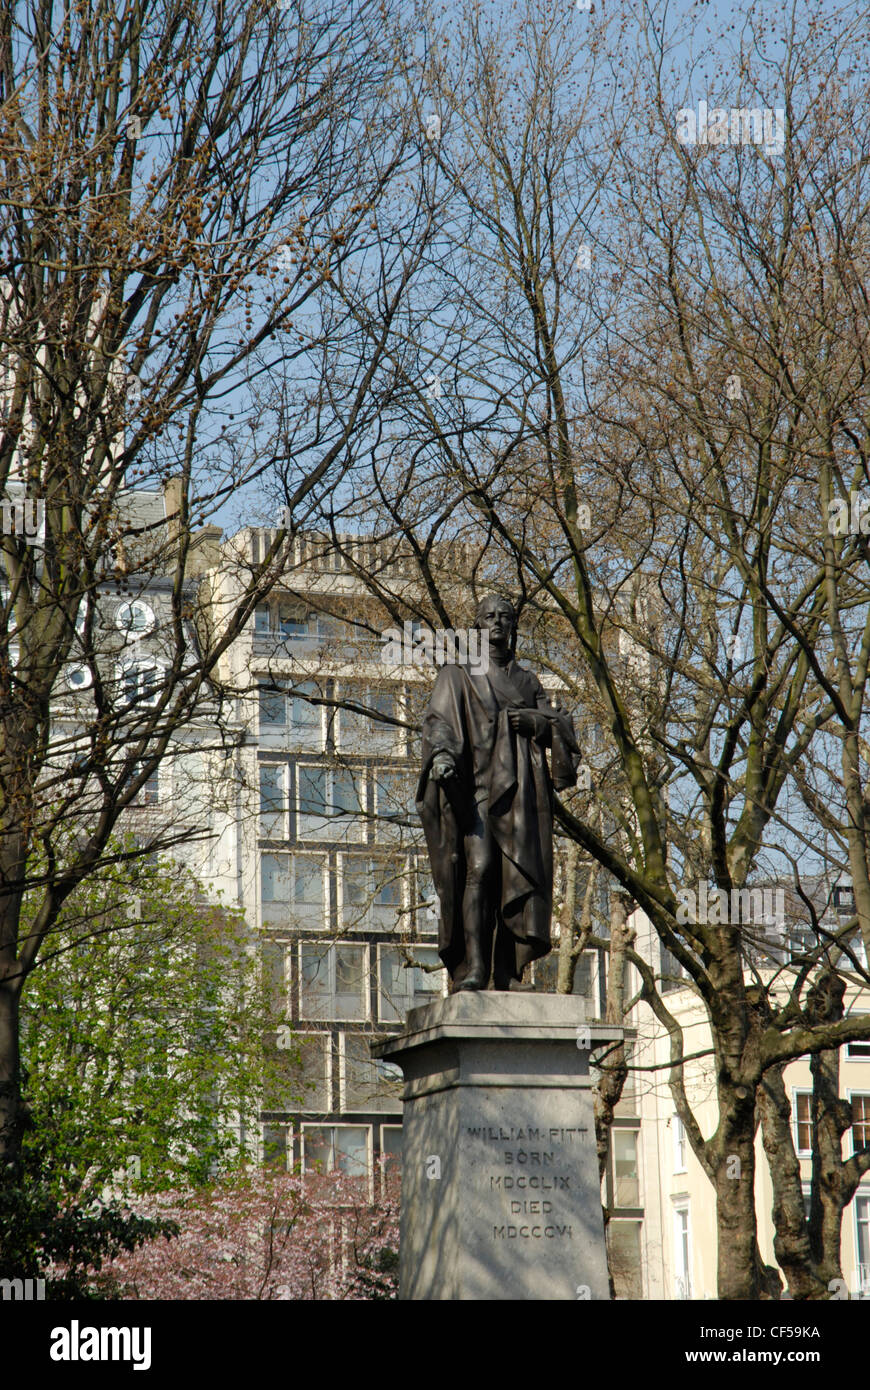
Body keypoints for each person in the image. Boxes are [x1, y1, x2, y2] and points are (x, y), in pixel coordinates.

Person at [416, 595, 581, 990]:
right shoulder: (457, 674)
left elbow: (559, 724)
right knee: (481, 869)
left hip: (520, 797)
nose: (498, 623)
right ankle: (475, 967)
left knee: (514, 878)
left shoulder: (527, 681)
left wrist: (535, 724)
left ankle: (507, 970)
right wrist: (441, 755)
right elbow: (439, 720)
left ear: (514, 626)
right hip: (475, 790)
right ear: (476, 626)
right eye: (489, 616)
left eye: (505, 617)